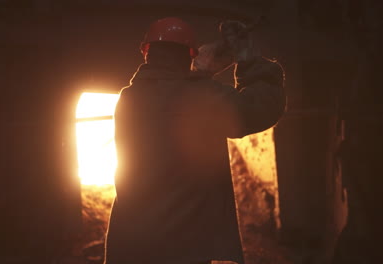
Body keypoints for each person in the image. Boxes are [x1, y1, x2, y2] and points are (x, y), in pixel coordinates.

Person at [104, 17, 286, 264]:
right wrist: (247, 58)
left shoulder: (129, 98)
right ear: (188, 55)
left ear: (147, 52)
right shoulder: (202, 98)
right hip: (183, 247)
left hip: (133, 244)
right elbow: (260, 108)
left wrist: (200, 75)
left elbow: (172, 95)